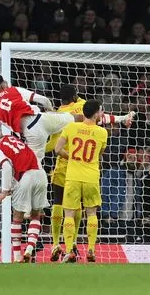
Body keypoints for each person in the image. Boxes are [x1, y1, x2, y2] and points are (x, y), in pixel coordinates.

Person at [46, 84, 135, 261]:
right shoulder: (90, 116)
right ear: (75, 96)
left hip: (66, 167)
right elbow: (103, 119)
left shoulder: (62, 116)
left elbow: (55, 146)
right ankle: (86, 248)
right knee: (88, 211)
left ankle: (58, 244)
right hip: (90, 173)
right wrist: (122, 118)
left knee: (60, 205)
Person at [0, 123, 48, 263]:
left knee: (17, 217)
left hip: (25, 177)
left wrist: (5, 191)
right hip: (40, 174)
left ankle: (18, 256)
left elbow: (7, 167)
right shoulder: (9, 137)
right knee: (35, 216)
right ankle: (29, 249)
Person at [55, 99, 108, 263]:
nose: (102, 114)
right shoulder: (102, 132)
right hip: (91, 177)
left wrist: (70, 157)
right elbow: (99, 155)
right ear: (96, 113)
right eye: (101, 111)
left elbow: (57, 149)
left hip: (73, 177)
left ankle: (70, 250)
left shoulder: (71, 127)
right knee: (91, 213)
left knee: (69, 214)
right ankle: (91, 249)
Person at [0, 75, 79, 160]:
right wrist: (51, 110)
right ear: (2, 86)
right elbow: (44, 100)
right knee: (74, 118)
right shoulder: (14, 90)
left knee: (33, 167)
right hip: (42, 119)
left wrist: (3, 138)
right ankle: (91, 123)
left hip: (31, 133)